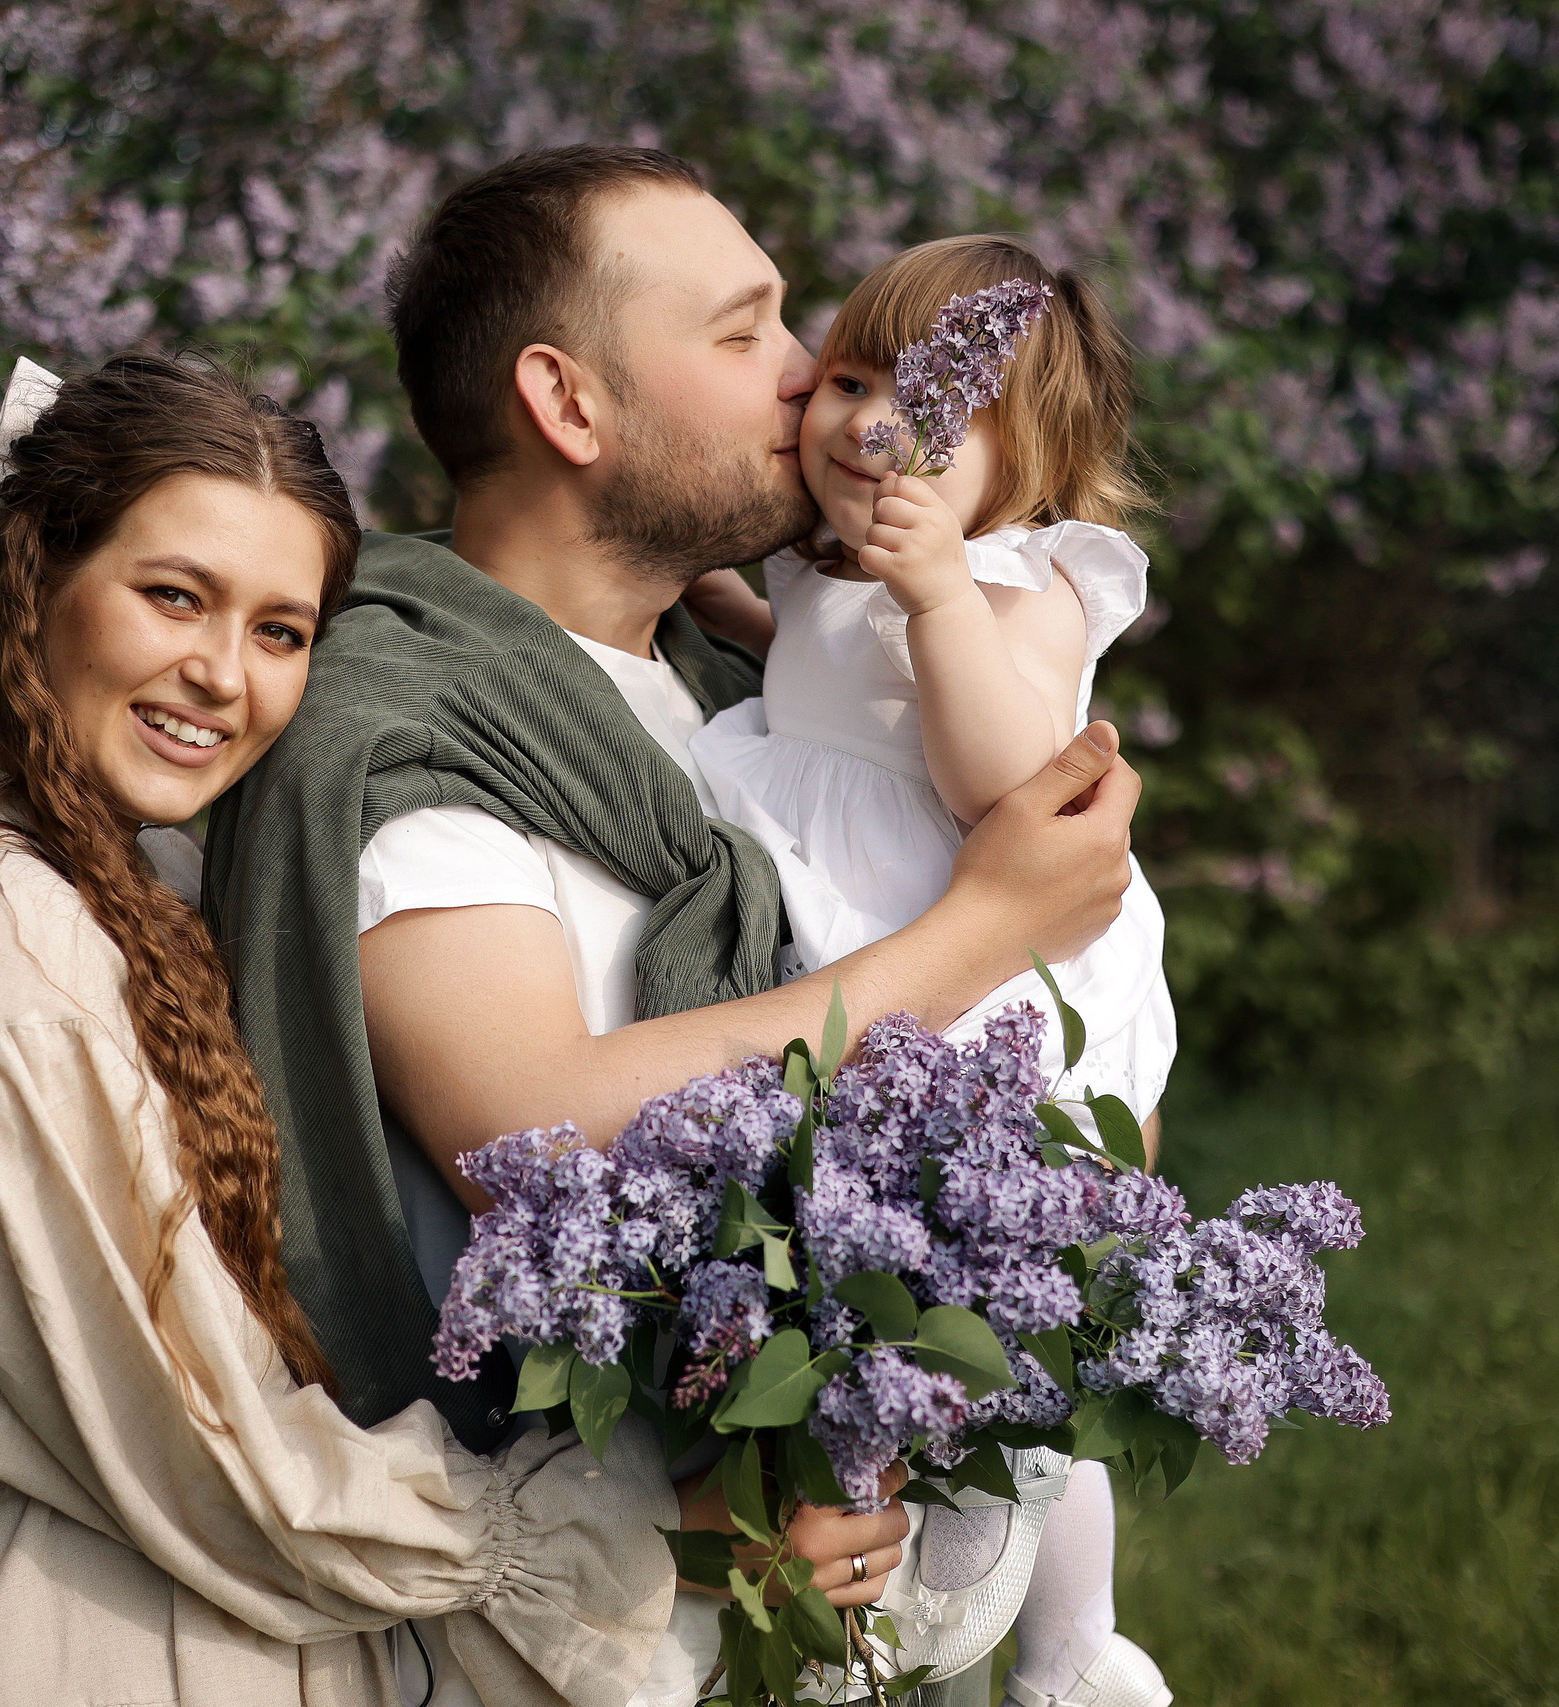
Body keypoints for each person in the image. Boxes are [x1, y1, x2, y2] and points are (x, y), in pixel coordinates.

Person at [0, 350, 896, 1707]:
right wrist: (668, 1532)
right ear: (37, 584)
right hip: (87, 1637)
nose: (219, 676)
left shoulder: (94, 865)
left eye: (280, 631)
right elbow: (219, 1459)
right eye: (174, 596)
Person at [204, 147, 1142, 1706]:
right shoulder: (413, 725)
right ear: (570, 407)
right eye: (748, 332)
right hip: (544, 1602)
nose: (811, 382)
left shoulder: (734, 696)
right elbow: (534, 1124)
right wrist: (988, 931)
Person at [684, 235, 1175, 1707]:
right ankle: (841, 1571)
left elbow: (997, 787)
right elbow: (844, 698)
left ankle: (1070, 1642)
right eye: (848, 379)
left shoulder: (1028, 589)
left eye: (931, 409)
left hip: (969, 959)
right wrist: (757, 626)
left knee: (1007, 1327)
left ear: (1026, 466)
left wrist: (943, 598)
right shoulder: (843, 571)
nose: (872, 424)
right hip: (855, 921)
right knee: (859, 1288)